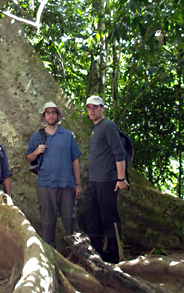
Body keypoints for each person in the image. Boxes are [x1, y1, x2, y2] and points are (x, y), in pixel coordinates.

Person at [25, 102, 82, 248]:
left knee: (70, 220)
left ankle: (78, 253)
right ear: (44, 117)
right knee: (47, 221)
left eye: (53, 112)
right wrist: (37, 151)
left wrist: (78, 184)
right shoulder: (37, 136)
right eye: (48, 113)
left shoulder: (68, 136)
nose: (51, 115)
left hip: (66, 184)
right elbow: (29, 158)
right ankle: (50, 257)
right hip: (45, 184)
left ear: (57, 115)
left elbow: (75, 160)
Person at [83, 95, 128, 263]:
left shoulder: (108, 126)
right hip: (94, 182)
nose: (92, 110)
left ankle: (115, 254)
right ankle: (97, 251)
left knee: (109, 216)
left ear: (102, 108)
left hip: (108, 181)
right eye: (89, 108)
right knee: (90, 215)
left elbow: (119, 152)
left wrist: (121, 178)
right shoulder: (96, 128)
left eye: (95, 107)